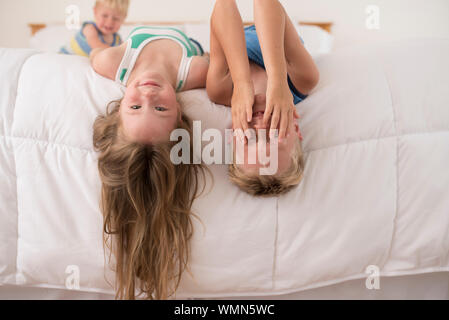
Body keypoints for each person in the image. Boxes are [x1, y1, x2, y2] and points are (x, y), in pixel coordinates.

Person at [90, 25, 210, 299]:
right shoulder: (196, 73)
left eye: (134, 108)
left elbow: (95, 51)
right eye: (160, 109)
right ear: (179, 114)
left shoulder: (115, 63)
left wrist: (96, 45)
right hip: (191, 43)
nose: (148, 95)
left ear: (118, 112)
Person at [206, 0, 320, 196]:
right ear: (296, 130)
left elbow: (224, 5)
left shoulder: (220, 89)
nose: (260, 129)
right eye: (274, 137)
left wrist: (242, 83)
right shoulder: (302, 78)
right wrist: (278, 80)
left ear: (233, 136)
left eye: (249, 139)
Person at [60, 0, 128, 56]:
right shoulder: (89, 28)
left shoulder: (117, 39)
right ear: (95, 12)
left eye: (116, 19)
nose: (109, 22)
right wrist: (119, 53)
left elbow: (125, 52)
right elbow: (96, 46)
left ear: (123, 18)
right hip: (65, 56)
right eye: (105, 16)